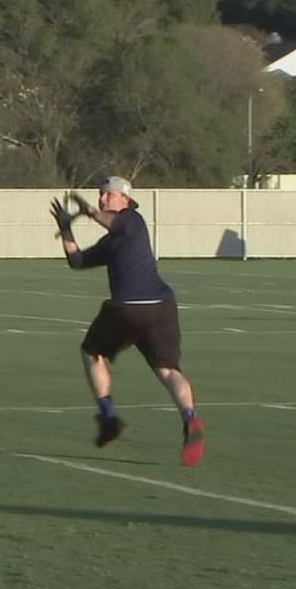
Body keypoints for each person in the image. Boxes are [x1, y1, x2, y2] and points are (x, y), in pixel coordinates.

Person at [50, 177, 204, 466]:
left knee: (91, 352)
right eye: (100, 195)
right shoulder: (112, 240)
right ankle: (190, 419)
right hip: (161, 306)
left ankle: (108, 417)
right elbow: (78, 261)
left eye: (108, 194)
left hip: (129, 308)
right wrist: (66, 229)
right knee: (168, 370)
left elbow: (110, 222)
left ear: (125, 199)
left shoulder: (133, 220)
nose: (102, 199)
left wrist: (86, 210)